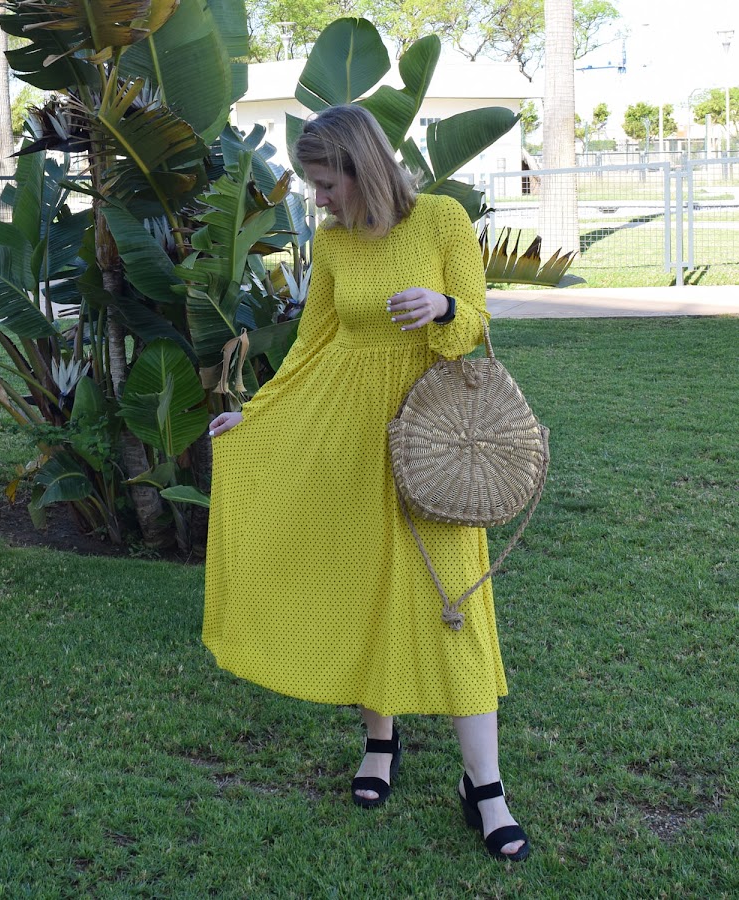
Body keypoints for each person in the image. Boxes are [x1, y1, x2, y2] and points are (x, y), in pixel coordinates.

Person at [203, 104, 529, 862]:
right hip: (347, 434)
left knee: (455, 605)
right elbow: (312, 344)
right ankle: (380, 743)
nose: (316, 197)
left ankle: (485, 787)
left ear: (363, 168)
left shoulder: (441, 220)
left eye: (324, 182)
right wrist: (253, 417)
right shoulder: (333, 240)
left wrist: (444, 307)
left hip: (431, 439)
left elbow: (475, 324)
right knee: (360, 587)